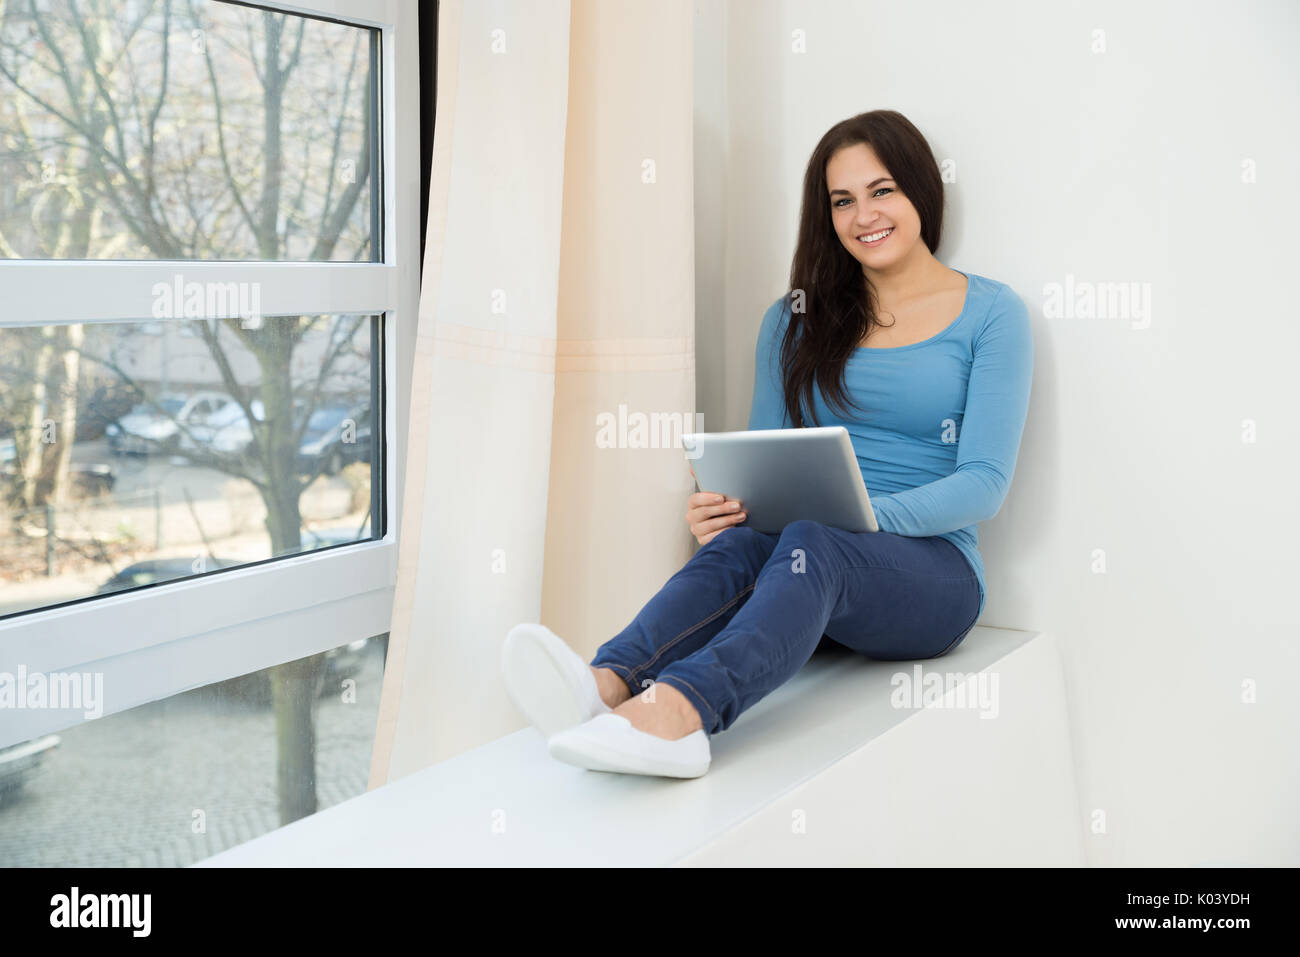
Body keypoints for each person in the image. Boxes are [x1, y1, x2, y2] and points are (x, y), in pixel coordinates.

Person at [501, 109, 1034, 779]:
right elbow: (764, 458)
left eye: (882, 190)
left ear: (923, 190)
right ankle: (607, 681)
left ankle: (680, 716)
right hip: (811, 567)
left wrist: (861, 519)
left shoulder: (992, 313)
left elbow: (983, 481)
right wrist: (721, 505)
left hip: (931, 577)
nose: (863, 214)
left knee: (814, 538)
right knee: (749, 541)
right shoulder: (794, 319)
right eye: (842, 200)